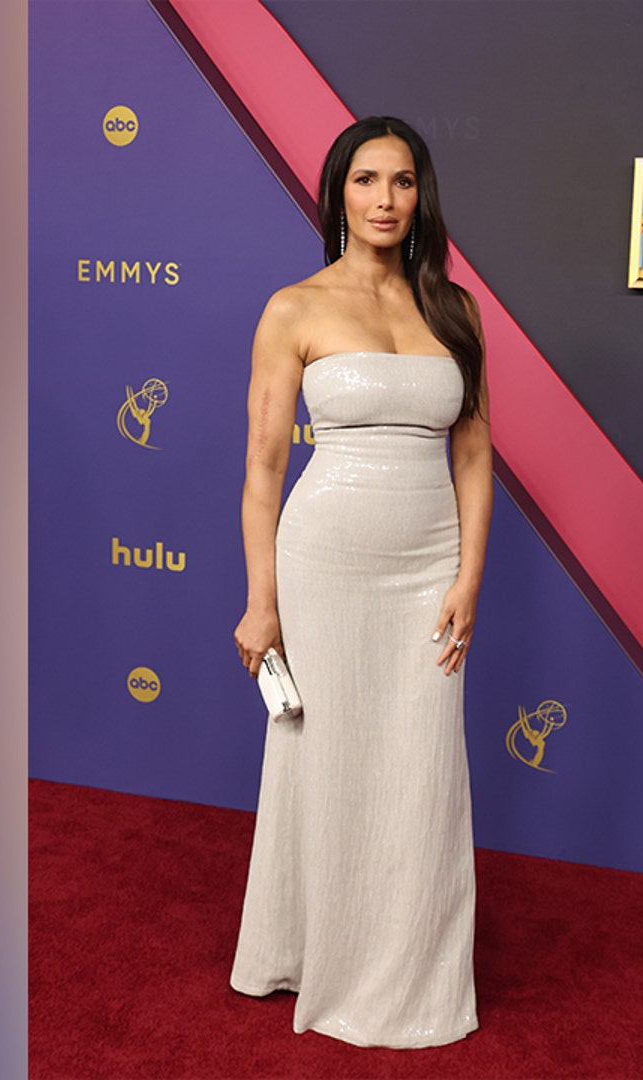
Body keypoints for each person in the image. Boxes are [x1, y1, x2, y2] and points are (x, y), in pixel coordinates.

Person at [229, 116, 492, 1049]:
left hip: (427, 570)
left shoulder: (454, 312)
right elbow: (264, 467)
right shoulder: (293, 308)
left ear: (423, 195)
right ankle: (310, 949)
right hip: (325, 563)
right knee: (324, 758)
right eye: (367, 179)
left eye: (405, 181)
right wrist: (262, 602)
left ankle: (410, 966)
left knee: (421, 768)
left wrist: (469, 576)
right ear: (338, 192)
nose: (386, 200)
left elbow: (474, 457)